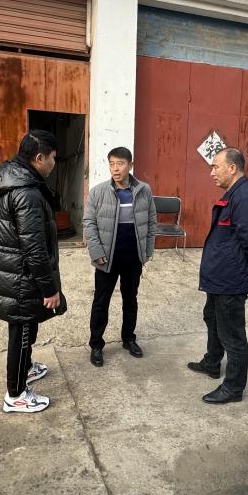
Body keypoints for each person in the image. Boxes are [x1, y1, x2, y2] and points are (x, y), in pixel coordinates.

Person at [0, 130, 66, 413]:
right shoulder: (26, 192)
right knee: (21, 332)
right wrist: (49, 288)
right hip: (20, 277)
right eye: (53, 158)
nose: (54, 164)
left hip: (14, 272)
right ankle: (16, 394)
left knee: (26, 326)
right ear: (39, 158)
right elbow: (34, 248)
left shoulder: (10, 179)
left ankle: (26, 368)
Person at [188, 147, 248, 404]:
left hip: (231, 280)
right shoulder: (234, 194)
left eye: (216, 166)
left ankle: (233, 388)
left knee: (232, 335)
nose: (212, 172)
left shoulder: (245, 198)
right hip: (220, 277)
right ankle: (212, 362)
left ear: (232, 168)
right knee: (212, 318)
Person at [83, 146, 157, 367]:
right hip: (107, 257)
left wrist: (147, 250)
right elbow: (89, 223)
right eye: (112, 164)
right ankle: (96, 345)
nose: (115, 168)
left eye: (120, 164)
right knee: (101, 302)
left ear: (130, 165)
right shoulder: (98, 192)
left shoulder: (143, 190)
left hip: (133, 256)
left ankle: (129, 339)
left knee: (130, 299)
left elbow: (151, 221)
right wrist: (96, 252)